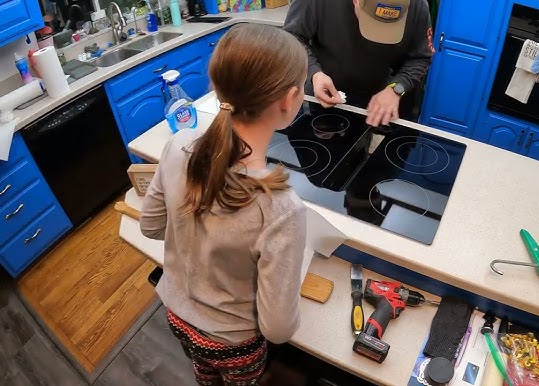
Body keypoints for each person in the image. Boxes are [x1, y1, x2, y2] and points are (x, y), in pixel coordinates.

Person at [139, 24, 308, 386]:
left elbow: (151, 226)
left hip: (177, 319)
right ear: (289, 99)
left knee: (204, 374)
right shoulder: (281, 207)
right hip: (232, 344)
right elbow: (277, 329)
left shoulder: (179, 143)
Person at [284, 0, 434, 127]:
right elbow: (291, 38)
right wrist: (314, 73)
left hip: (382, 99)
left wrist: (396, 89)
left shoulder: (417, 5)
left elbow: (421, 57)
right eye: (374, 23)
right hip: (325, 93)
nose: (379, 35)